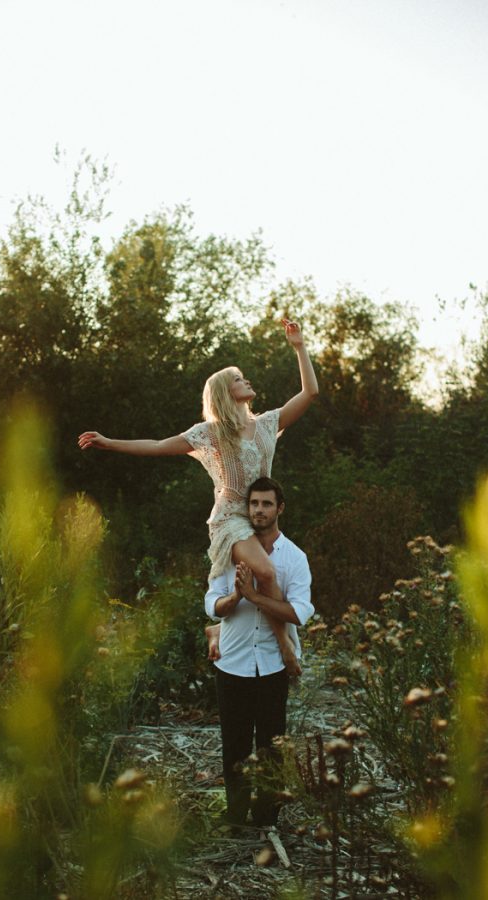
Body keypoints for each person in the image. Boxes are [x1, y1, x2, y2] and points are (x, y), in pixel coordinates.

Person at [78, 318, 318, 674]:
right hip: (230, 519)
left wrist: (299, 346)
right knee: (266, 573)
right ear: (224, 392)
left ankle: (218, 628)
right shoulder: (211, 433)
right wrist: (109, 442)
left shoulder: (267, 423)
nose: (246, 380)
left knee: (271, 576)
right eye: (238, 379)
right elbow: (159, 445)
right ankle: (286, 647)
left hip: (259, 514)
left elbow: (310, 393)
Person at [206, 476, 314, 829]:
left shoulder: (295, 558)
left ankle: (266, 818)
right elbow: (212, 603)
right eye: (254, 504)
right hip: (233, 663)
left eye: (267, 504)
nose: (259, 510)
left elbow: (299, 612)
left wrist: (255, 597)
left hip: (271, 666)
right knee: (234, 746)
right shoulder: (230, 549)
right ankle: (235, 818)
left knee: (271, 747)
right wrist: (235, 598)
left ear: (279, 508)